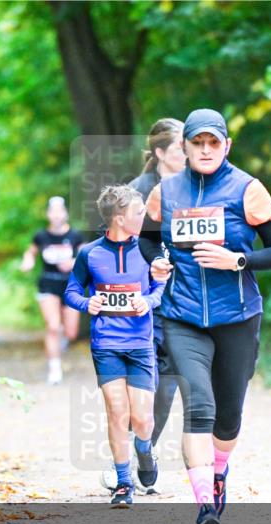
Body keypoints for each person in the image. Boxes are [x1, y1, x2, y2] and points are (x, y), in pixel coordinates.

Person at [144, 109, 271, 524]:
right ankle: (206, 506)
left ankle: (219, 471)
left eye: (213, 143)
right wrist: (156, 261)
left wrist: (237, 260)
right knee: (199, 406)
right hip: (182, 315)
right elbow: (147, 238)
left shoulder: (248, 189)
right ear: (184, 147)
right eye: (197, 143)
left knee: (228, 417)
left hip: (238, 317)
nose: (205, 150)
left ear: (226, 146)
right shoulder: (165, 192)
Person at [94, 118, 184, 493]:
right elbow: (115, 250)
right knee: (135, 393)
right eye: (183, 147)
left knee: (167, 387)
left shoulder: (198, 188)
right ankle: (126, 459)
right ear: (161, 153)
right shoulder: (137, 193)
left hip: (184, 302)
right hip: (143, 307)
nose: (191, 153)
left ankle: (143, 449)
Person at [64, 185, 167, 506]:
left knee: (143, 420)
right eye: (139, 213)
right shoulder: (90, 253)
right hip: (106, 344)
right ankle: (124, 483)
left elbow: (160, 287)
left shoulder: (150, 250)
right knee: (117, 412)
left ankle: (145, 451)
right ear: (120, 219)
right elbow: (71, 291)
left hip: (140, 345)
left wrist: (148, 301)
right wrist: (87, 304)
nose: (145, 218)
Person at [20, 196, 84, 385]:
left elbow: (85, 258)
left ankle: (62, 338)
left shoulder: (75, 236)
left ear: (65, 213)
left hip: (71, 285)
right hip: (48, 283)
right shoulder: (41, 236)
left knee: (71, 332)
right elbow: (30, 252)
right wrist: (28, 261)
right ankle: (54, 369)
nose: (56, 215)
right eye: (52, 211)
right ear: (48, 214)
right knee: (53, 326)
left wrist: (74, 262)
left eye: (60, 211)